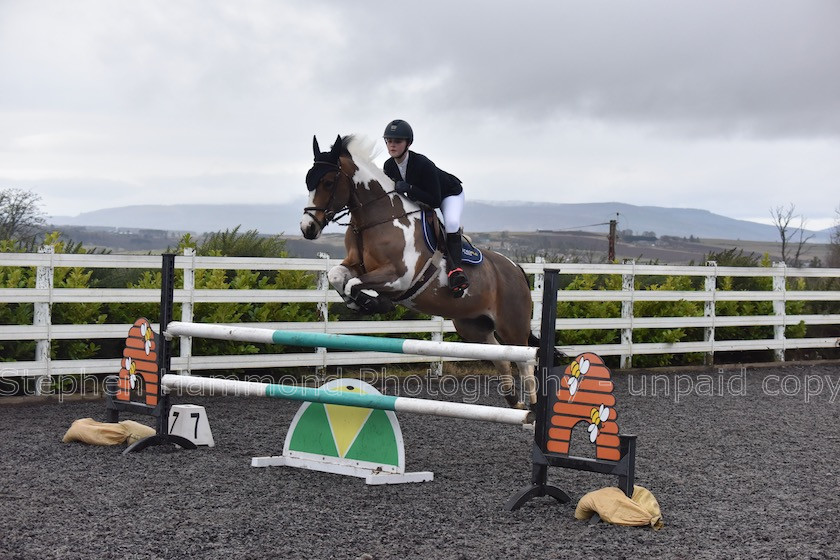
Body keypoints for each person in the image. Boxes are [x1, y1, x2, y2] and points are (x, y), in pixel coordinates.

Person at [382, 119, 469, 296]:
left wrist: (410, 188)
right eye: (389, 141)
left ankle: (456, 272)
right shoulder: (389, 166)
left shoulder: (423, 164)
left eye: (397, 141)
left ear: (408, 143)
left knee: (451, 222)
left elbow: (435, 200)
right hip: (420, 200)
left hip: (448, 194)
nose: (392, 145)